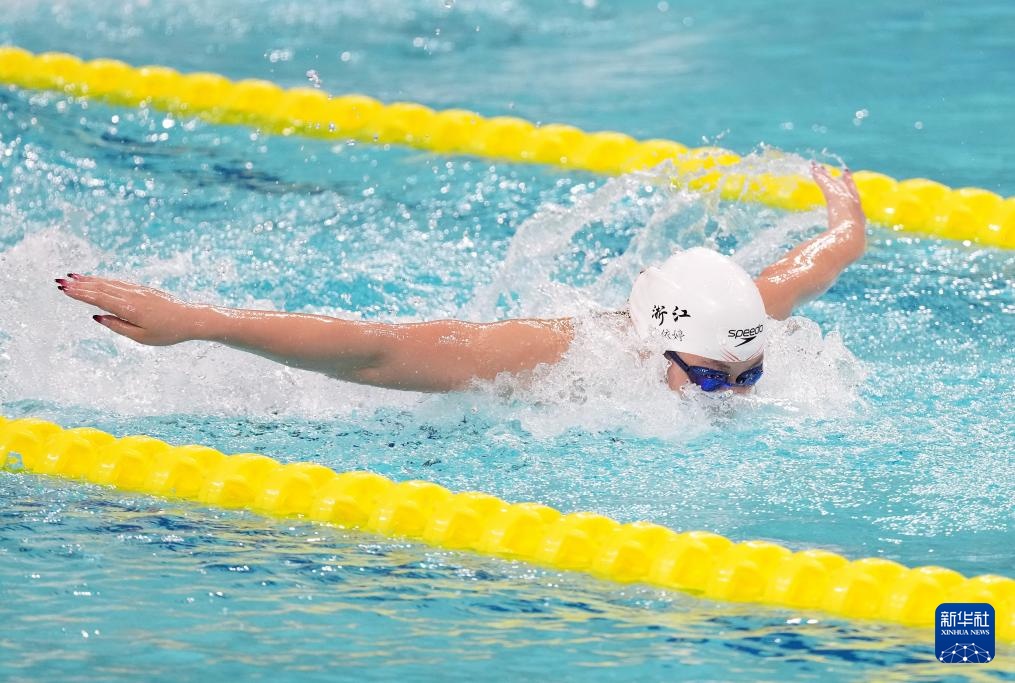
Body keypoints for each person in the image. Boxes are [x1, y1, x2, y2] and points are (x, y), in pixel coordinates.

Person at [56, 163, 866, 394]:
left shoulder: (728, 321)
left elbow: (811, 266)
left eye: (749, 374)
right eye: (713, 381)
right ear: (655, 347)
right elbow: (374, 350)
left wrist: (845, 227)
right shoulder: (556, 356)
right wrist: (199, 322)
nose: (735, 395)